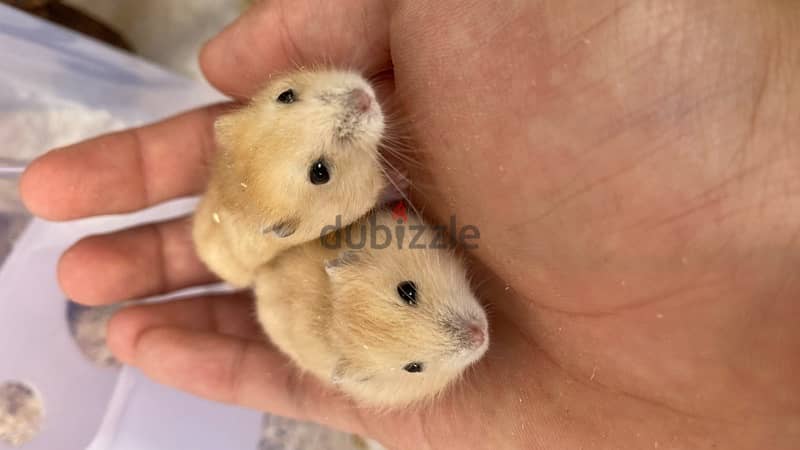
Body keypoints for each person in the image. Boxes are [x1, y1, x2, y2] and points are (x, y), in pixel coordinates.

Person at [19, 1, 800, 448]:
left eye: (286, 97)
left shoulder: (363, 236)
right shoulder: (349, 250)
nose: (349, 102)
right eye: (324, 174)